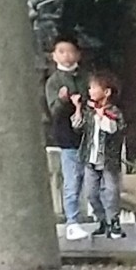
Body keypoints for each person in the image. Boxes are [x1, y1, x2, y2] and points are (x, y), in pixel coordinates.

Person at [72, 69, 125, 239]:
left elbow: (114, 129)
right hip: (91, 158)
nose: (90, 91)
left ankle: (114, 221)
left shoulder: (114, 112)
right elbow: (77, 126)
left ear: (106, 92)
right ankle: (102, 220)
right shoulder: (90, 111)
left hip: (108, 159)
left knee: (111, 191)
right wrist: (78, 108)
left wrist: (103, 117)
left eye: (94, 88)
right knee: (91, 193)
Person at [44, 36, 87, 241]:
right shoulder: (53, 81)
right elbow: (53, 111)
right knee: (72, 180)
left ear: (77, 54)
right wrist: (62, 101)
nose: (66, 55)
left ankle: (104, 218)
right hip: (66, 136)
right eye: (61, 51)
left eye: (70, 51)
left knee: (96, 178)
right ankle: (72, 221)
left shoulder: (86, 76)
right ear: (54, 56)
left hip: (90, 134)